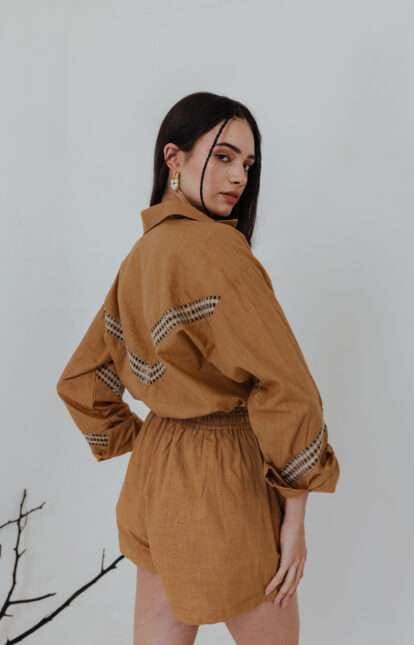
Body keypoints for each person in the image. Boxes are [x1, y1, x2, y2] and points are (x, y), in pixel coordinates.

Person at [56, 91, 340, 644]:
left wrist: (147, 438)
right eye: (224, 156)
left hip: (156, 476)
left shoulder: (143, 255)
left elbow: (83, 382)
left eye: (248, 165)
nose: (239, 177)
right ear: (174, 157)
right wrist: (296, 517)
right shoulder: (220, 251)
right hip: (225, 480)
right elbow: (287, 388)